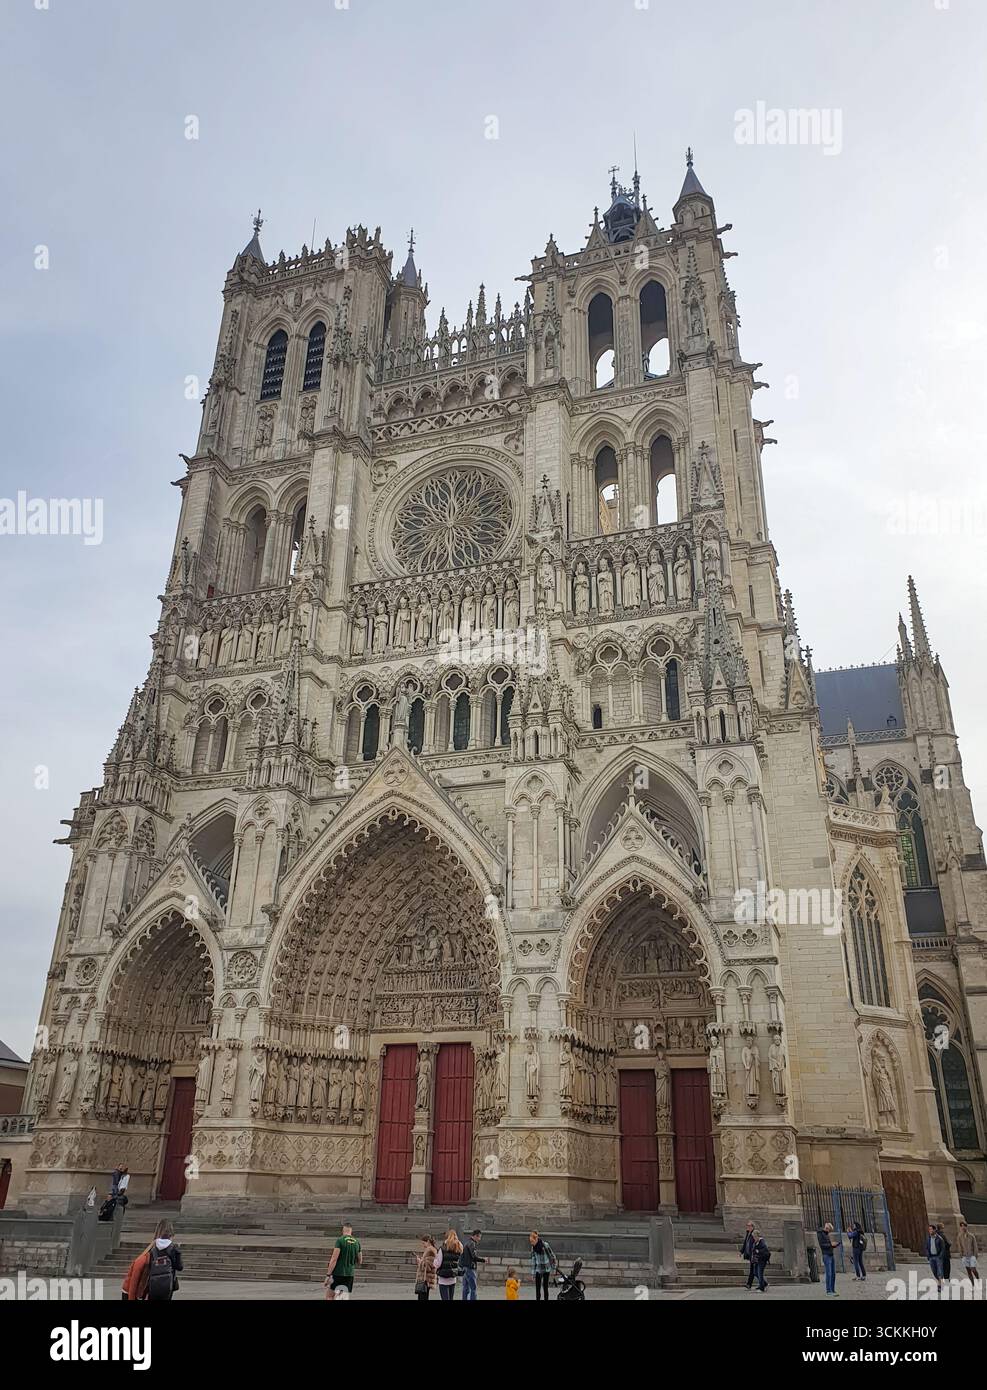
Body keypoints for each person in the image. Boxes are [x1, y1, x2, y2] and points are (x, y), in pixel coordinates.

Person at [146, 1219, 183, 1302]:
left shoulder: (153, 1247)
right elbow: (179, 1267)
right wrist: (178, 1252)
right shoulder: (173, 1248)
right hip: (167, 1284)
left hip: (153, 1283)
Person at [324, 1221, 362, 1300]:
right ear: (351, 1230)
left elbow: (334, 1259)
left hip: (338, 1273)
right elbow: (360, 1261)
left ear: (343, 1230)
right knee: (342, 1297)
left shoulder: (340, 1240)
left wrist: (328, 1275)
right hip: (349, 1274)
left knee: (329, 1296)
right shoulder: (357, 1242)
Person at [529, 1231, 557, 1302]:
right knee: (537, 1288)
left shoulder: (545, 1245)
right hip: (538, 1269)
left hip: (546, 1269)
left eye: (532, 1241)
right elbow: (533, 1260)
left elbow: (552, 1255)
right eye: (530, 1242)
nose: (531, 1243)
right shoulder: (533, 1248)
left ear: (536, 1239)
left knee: (545, 1287)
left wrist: (554, 1266)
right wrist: (533, 1274)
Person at [437, 1230, 463, 1301]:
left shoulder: (442, 1248)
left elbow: (438, 1264)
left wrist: (434, 1262)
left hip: (443, 1278)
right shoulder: (458, 1248)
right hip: (452, 1277)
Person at [461, 1228, 485, 1301]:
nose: (479, 1239)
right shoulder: (472, 1243)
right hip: (470, 1268)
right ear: (475, 1236)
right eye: (479, 1237)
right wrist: (483, 1260)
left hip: (465, 1267)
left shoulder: (466, 1242)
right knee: (473, 1288)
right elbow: (473, 1256)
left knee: (465, 1287)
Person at [817, 1223, 839, 1296]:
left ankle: (832, 1290)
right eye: (829, 1230)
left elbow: (827, 1244)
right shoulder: (820, 1233)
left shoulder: (826, 1234)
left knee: (833, 1273)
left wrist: (834, 1245)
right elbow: (822, 1245)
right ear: (827, 1228)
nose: (829, 1232)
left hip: (831, 1254)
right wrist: (831, 1245)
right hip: (826, 1255)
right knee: (829, 1273)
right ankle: (828, 1291)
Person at [414, 1235, 438, 1302]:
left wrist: (420, 1262)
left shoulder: (430, 1250)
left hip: (426, 1279)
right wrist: (421, 1261)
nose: (423, 1245)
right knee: (424, 1296)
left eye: (423, 1243)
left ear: (428, 1241)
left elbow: (428, 1267)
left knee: (423, 1297)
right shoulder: (432, 1250)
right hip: (427, 1278)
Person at [957, 1220, 980, 1288]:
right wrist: (961, 1254)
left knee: (973, 1269)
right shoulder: (959, 1236)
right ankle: (973, 1285)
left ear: (966, 1227)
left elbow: (975, 1245)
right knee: (968, 1271)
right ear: (960, 1227)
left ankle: (978, 1278)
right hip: (964, 1256)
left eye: (964, 1226)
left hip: (972, 1255)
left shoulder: (971, 1236)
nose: (963, 1228)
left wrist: (975, 1255)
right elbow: (959, 1245)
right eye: (962, 1226)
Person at [925, 1224, 944, 1293]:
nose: (930, 1231)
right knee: (934, 1271)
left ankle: (939, 1285)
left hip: (938, 1257)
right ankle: (940, 1281)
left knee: (939, 1271)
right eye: (929, 1229)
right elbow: (927, 1247)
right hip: (931, 1257)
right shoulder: (928, 1238)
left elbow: (942, 1249)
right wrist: (928, 1255)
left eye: (931, 1229)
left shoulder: (939, 1239)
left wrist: (940, 1256)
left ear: (934, 1230)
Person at [740, 1221, 756, 1287]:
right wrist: (741, 1251)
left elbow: (757, 1243)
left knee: (754, 1271)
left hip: (754, 1255)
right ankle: (749, 1284)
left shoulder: (754, 1234)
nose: (747, 1227)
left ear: (752, 1227)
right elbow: (745, 1243)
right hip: (750, 1255)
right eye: (747, 1225)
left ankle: (749, 1284)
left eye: (749, 1226)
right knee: (753, 1270)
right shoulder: (748, 1233)